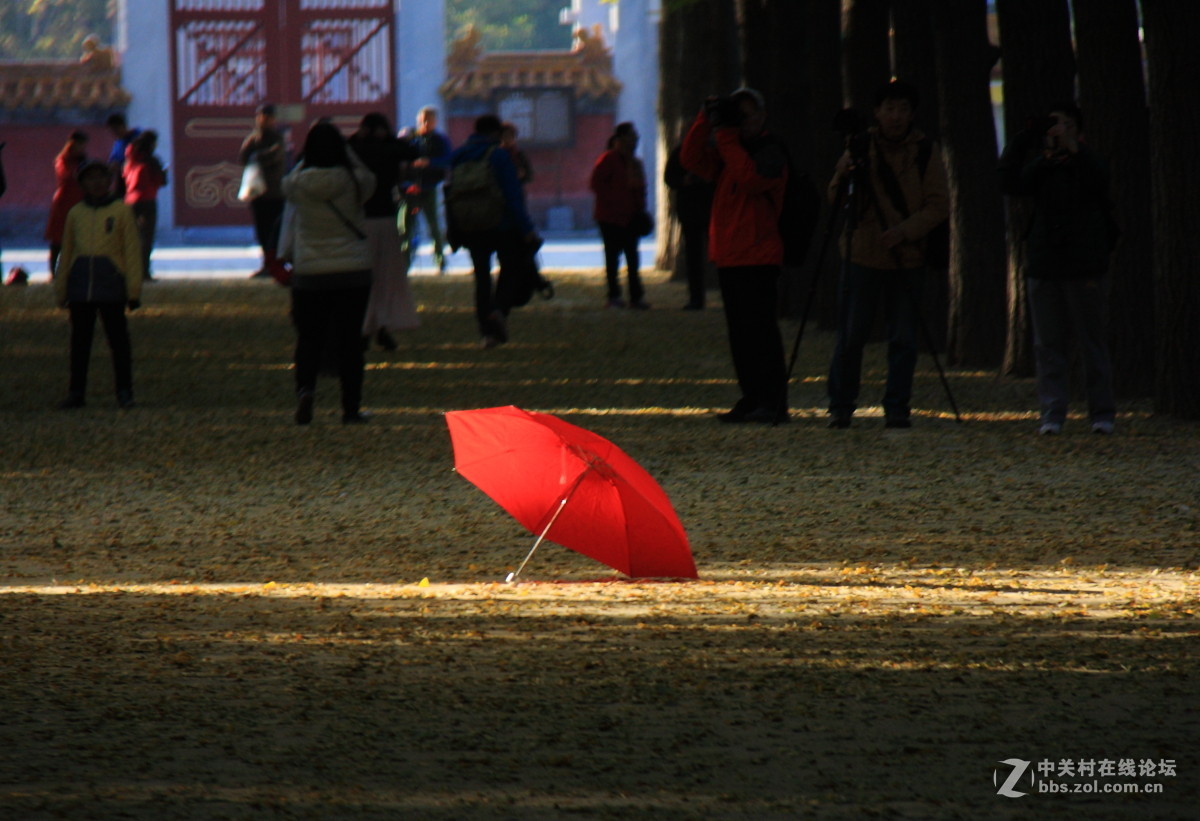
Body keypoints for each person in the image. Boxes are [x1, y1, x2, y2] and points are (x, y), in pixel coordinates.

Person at [825, 80, 949, 430]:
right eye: (890, 108)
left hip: (907, 257)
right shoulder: (860, 147)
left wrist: (905, 231)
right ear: (877, 112)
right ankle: (841, 405)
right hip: (862, 254)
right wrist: (842, 172)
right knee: (851, 336)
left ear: (912, 114)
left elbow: (938, 204)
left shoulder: (925, 151)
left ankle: (897, 406)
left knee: (904, 338)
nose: (896, 116)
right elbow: (836, 200)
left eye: (903, 109)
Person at [999, 103, 1116, 436]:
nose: (1058, 131)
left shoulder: (1089, 163)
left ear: (1078, 131)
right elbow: (1008, 180)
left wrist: (1074, 151)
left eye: (1065, 125)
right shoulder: (1041, 168)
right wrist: (1026, 139)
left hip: (1086, 266)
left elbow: (1100, 179)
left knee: (1091, 340)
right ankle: (1052, 413)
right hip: (1045, 265)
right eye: (1054, 126)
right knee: (1048, 344)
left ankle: (1102, 413)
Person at [681, 88, 789, 424]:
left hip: (759, 255)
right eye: (737, 115)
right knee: (740, 335)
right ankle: (752, 397)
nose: (742, 122)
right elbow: (690, 159)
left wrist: (725, 135)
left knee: (761, 332)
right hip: (730, 256)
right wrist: (705, 120)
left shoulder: (770, 151)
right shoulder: (730, 152)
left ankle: (772, 401)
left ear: (762, 116)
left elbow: (750, 178)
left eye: (747, 115)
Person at [282, 120, 376, 425]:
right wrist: (348, 152)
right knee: (350, 341)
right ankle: (350, 408)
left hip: (310, 272)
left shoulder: (298, 184)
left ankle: (305, 391)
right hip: (353, 271)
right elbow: (371, 179)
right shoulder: (354, 181)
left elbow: (287, 182)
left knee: (309, 338)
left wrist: (303, 160)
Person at [53, 161, 144, 410]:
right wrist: (61, 288)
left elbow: (132, 251)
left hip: (111, 285)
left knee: (118, 342)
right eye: (90, 178)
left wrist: (133, 289)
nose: (97, 183)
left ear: (109, 181)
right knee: (80, 343)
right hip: (81, 286)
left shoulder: (122, 211)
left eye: (101, 177)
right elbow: (67, 251)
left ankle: (124, 391)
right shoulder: (75, 213)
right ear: (82, 183)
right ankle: (76, 392)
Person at [446, 114, 539, 349]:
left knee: (481, 277)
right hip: (501, 225)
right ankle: (498, 311)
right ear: (496, 133)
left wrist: (453, 228)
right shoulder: (498, 155)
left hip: (471, 225)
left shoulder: (458, 156)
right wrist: (526, 228)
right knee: (509, 268)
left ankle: (486, 333)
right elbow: (512, 194)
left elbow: (449, 194)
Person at [347, 112, 422, 351]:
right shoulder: (388, 150)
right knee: (385, 278)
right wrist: (388, 138)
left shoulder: (354, 149)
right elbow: (413, 151)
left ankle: (365, 328)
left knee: (362, 278)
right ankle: (381, 326)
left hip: (360, 220)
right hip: (385, 219)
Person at [590, 122, 649, 309]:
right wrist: (615, 202)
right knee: (613, 258)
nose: (635, 140)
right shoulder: (608, 159)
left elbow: (640, 190)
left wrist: (639, 209)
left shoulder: (635, 163)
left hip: (630, 217)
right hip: (610, 218)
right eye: (632, 136)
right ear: (621, 138)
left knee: (633, 258)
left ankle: (635, 297)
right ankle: (614, 296)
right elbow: (596, 185)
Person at [398, 106, 452, 273]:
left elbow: (447, 160)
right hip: (410, 190)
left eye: (428, 120)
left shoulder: (440, 140)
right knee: (404, 228)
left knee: (434, 226)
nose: (425, 123)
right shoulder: (411, 139)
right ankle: (405, 263)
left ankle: (440, 260)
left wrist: (430, 162)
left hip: (429, 187)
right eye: (422, 120)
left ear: (435, 121)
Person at [239, 103, 288, 279]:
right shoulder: (253, 139)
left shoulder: (277, 138)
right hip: (258, 194)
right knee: (262, 231)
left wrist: (257, 157)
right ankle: (266, 264)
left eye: (267, 117)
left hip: (274, 193)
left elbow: (274, 155)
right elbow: (244, 157)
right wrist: (255, 156)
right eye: (261, 117)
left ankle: (274, 264)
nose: (263, 121)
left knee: (274, 231)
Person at [664, 137, 714, 310]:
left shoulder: (710, 151)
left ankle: (699, 297)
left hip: (707, 209)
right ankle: (696, 297)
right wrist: (684, 181)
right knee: (694, 255)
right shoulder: (681, 152)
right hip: (693, 210)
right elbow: (669, 178)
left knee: (708, 253)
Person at [123, 130, 167, 281]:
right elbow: (161, 181)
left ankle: (129, 270)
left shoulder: (130, 159)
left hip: (130, 201)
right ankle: (144, 271)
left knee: (131, 237)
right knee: (146, 238)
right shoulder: (152, 161)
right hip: (147, 200)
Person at [45, 131, 89, 275]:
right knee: (58, 238)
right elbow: (66, 176)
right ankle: (53, 271)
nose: (82, 148)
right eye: (80, 144)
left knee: (77, 238)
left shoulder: (82, 160)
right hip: (64, 203)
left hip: (79, 201)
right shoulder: (62, 159)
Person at [105, 112, 141, 198]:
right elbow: (113, 161)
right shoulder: (118, 143)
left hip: (138, 182)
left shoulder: (138, 136)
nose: (115, 134)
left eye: (116, 130)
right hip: (123, 183)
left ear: (123, 126)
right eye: (112, 132)